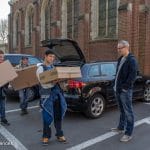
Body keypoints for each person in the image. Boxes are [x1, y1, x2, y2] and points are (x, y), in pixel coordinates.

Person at [36, 49, 67, 145]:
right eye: (50, 56)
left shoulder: (54, 68)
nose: (52, 58)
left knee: (58, 115)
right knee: (47, 116)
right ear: (45, 56)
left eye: (53, 57)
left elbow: (59, 82)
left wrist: (63, 82)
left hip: (57, 95)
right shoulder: (40, 68)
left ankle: (59, 134)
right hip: (46, 96)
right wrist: (53, 82)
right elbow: (43, 84)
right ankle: (45, 136)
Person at [111, 40, 138, 142]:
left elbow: (132, 76)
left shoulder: (132, 60)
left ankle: (128, 133)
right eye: (117, 48)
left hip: (125, 91)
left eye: (120, 48)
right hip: (117, 89)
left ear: (126, 47)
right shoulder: (121, 59)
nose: (118, 50)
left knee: (128, 112)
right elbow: (118, 73)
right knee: (122, 110)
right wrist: (114, 83)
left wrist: (125, 88)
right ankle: (120, 128)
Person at [0, 50, 10, 125]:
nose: (2, 58)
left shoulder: (5, 65)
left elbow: (8, 79)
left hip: (2, 90)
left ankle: (3, 119)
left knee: (3, 106)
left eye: (3, 57)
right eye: (0, 57)